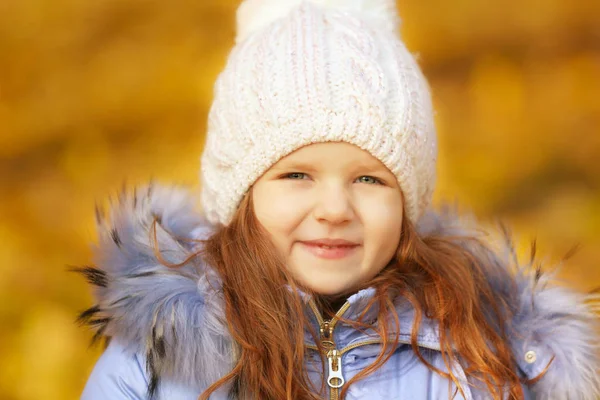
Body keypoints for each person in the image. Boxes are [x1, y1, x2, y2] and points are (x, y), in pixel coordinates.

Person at [77, 0, 600, 399]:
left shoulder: (481, 351)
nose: (334, 209)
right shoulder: (154, 362)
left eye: (369, 180)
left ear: (406, 202)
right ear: (242, 197)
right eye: (297, 175)